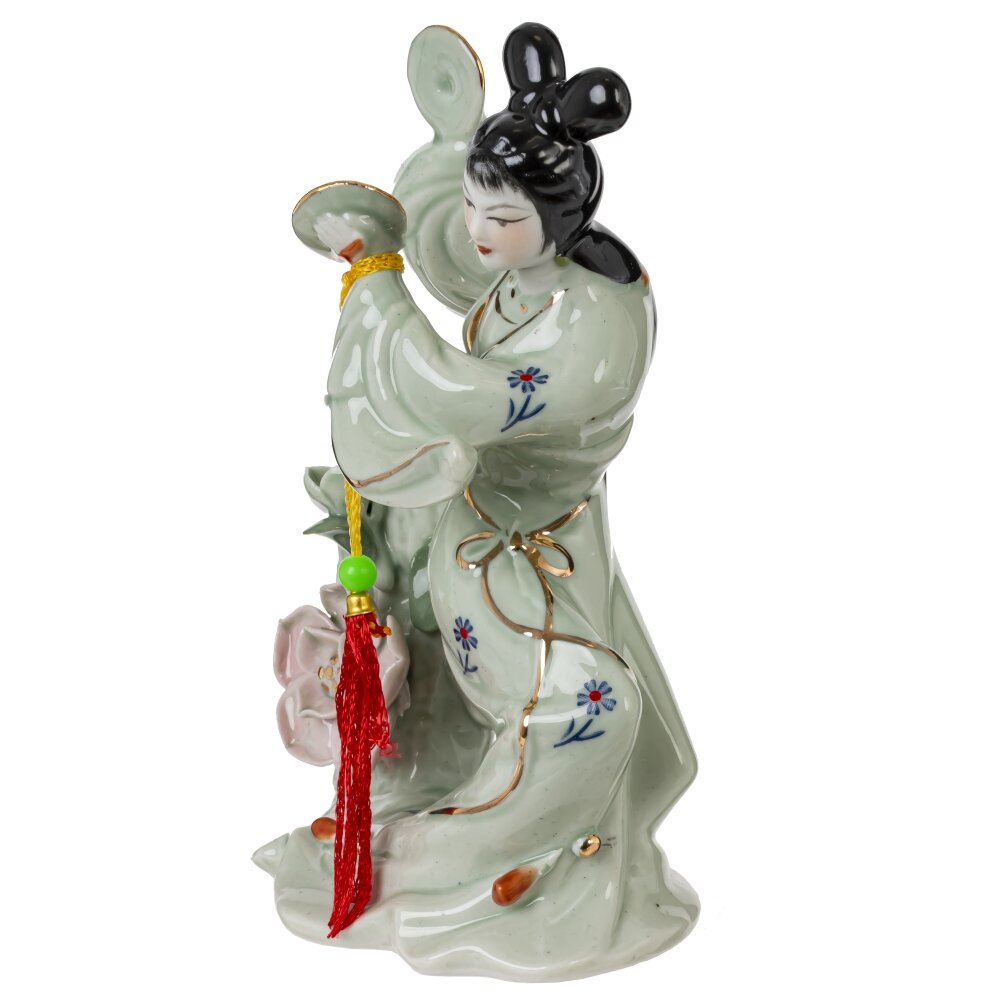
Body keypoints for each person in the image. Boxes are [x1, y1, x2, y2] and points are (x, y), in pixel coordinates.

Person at [258, 23, 698, 980]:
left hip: (535, 538)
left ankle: (499, 852)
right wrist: (440, 166)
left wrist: (374, 276)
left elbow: (463, 395)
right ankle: (446, 833)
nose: (476, 231)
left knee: (592, 708)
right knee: (582, 704)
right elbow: (462, 267)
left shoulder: (598, 330)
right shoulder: (531, 271)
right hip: (482, 539)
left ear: (560, 215)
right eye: (470, 204)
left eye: (499, 214)